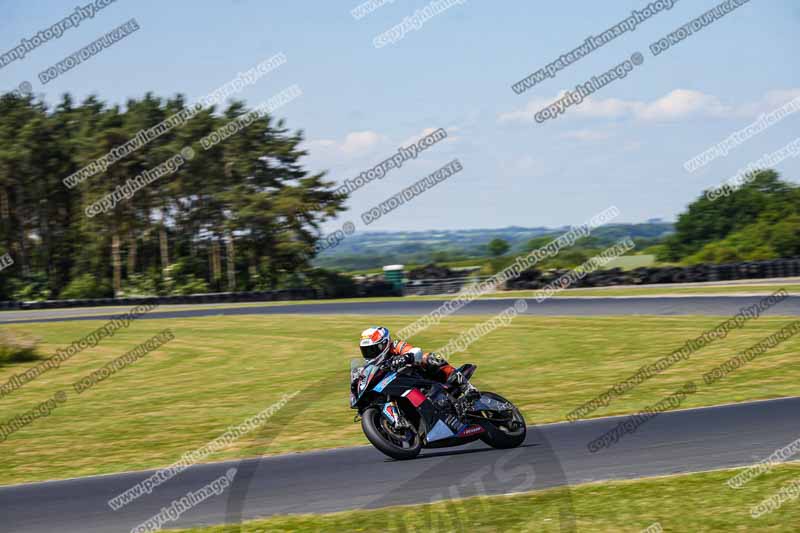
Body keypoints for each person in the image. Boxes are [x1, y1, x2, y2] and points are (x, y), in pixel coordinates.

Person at [359, 326, 479, 404]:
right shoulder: (372, 365)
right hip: (399, 388)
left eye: (373, 349)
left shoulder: (395, 346)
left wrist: (406, 357)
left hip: (421, 377)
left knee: (430, 358)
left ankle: (467, 387)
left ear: (384, 344)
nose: (370, 353)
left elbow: (416, 351)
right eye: (366, 350)